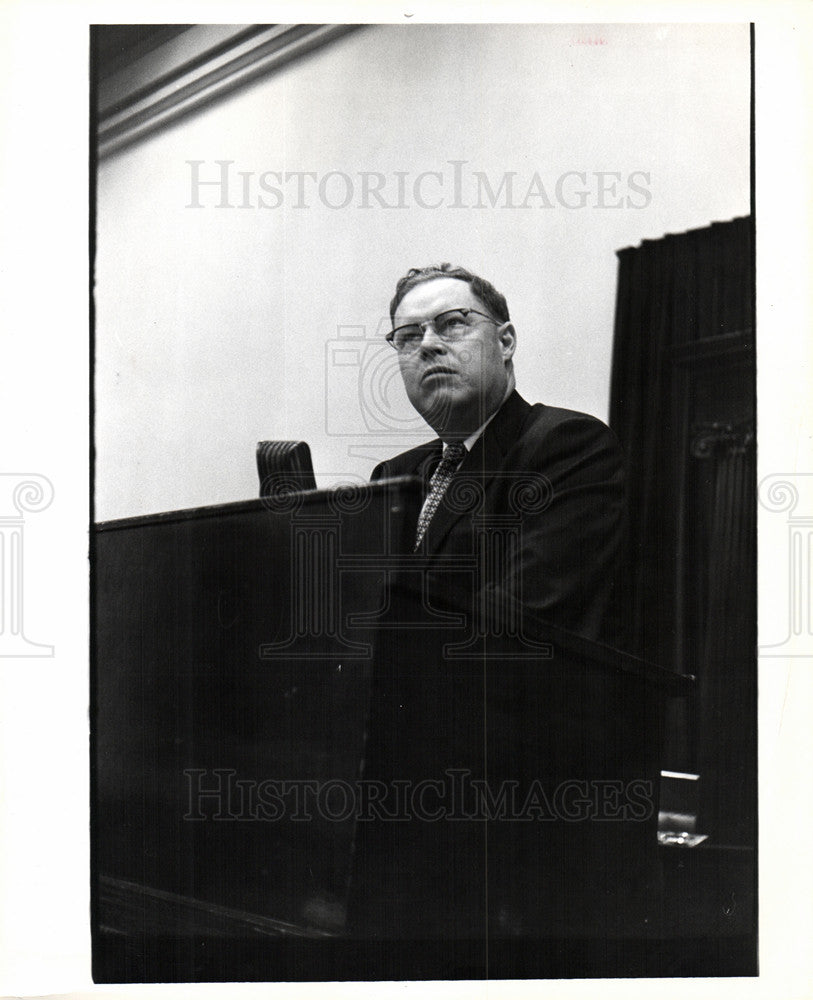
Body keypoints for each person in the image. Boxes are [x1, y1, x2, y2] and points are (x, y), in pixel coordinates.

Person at [370, 263, 628, 647]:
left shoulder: (568, 444)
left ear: (505, 342)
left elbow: (520, 615)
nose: (426, 344)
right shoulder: (394, 475)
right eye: (408, 336)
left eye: (452, 323)